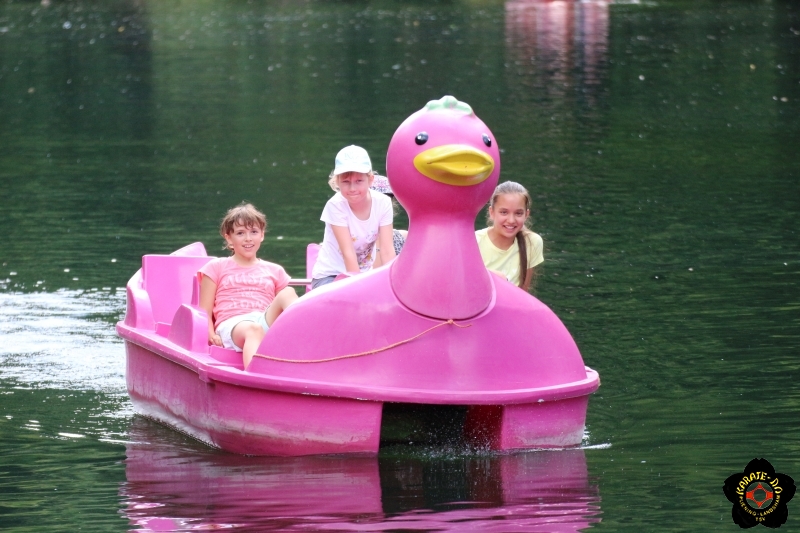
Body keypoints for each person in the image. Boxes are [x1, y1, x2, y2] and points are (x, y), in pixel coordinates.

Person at [199, 203, 298, 368]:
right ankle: (255, 377)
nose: (248, 238)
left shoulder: (275, 270)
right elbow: (204, 311)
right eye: (240, 233)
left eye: (254, 232)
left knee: (288, 292)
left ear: (262, 235)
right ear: (229, 238)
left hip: (263, 319)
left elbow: (280, 310)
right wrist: (210, 334)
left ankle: (305, 334)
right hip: (233, 325)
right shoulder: (216, 267)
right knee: (254, 329)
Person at [311, 145, 395, 289]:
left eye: (359, 181)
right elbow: (348, 253)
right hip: (330, 275)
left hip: (364, 275)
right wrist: (358, 290)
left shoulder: (383, 202)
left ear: (370, 180)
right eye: (346, 182)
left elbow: (387, 250)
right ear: (337, 182)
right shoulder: (335, 205)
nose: (352, 189)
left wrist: (391, 285)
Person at [476, 181, 544, 292]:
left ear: (526, 214)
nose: (511, 220)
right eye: (504, 212)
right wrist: (493, 277)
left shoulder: (532, 242)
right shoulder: (474, 242)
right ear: (492, 212)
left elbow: (523, 293)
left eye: (518, 213)